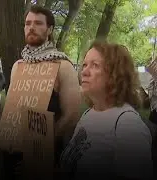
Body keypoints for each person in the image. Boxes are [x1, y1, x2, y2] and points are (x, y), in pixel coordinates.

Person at [4, 5, 81, 179]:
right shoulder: (18, 66)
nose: (31, 27)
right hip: (13, 149)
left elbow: (72, 116)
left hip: (46, 154)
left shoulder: (63, 66)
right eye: (28, 23)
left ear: (50, 29)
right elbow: (11, 108)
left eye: (38, 23)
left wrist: (41, 144)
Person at [60, 42, 153, 180]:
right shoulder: (88, 115)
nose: (84, 72)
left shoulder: (128, 125)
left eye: (95, 65)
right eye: (85, 65)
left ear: (116, 74)